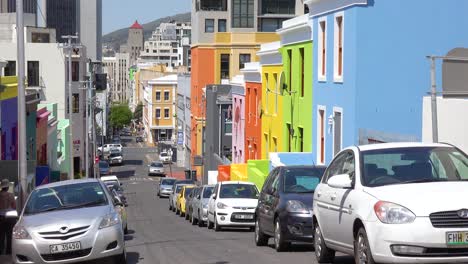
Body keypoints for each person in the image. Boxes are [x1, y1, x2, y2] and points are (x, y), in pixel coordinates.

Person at [0, 179, 16, 255]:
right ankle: (8, 252)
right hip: (10, 217)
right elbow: (14, 206)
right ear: (7, 187)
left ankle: (1, 252)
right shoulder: (11, 195)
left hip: (0, 217)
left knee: (1, 236)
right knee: (9, 236)